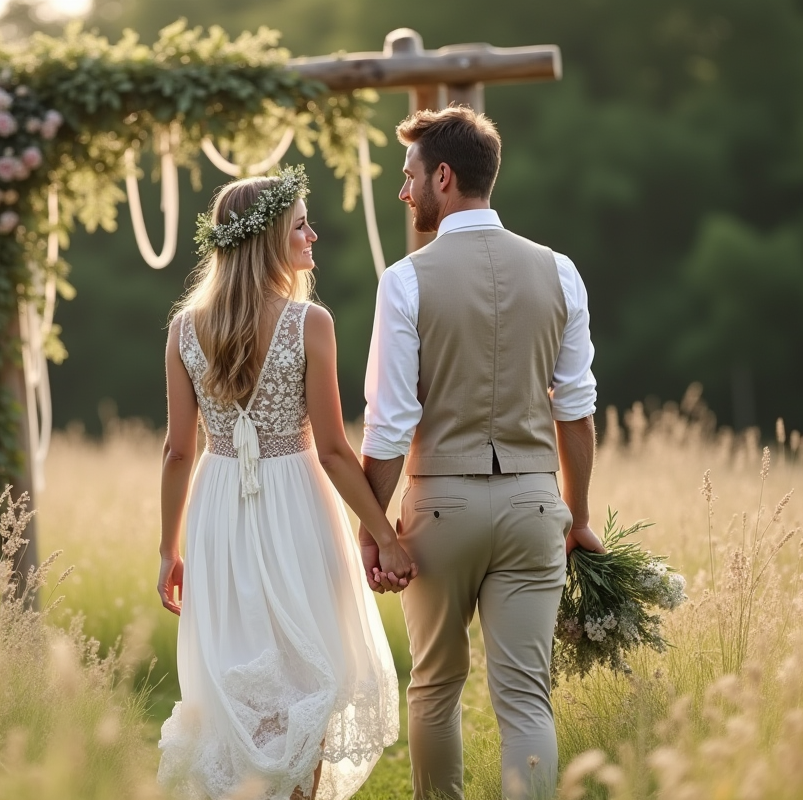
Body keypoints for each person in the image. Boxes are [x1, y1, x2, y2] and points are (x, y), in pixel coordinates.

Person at [358, 107, 606, 800]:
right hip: (535, 506)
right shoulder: (560, 272)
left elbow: (389, 422)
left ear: (443, 175)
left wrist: (375, 526)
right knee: (526, 700)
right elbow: (576, 409)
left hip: (442, 510)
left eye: (409, 178)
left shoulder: (405, 280)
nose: (404, 193)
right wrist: (576, 515)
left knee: (435, 686)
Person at [156, 166, 416, 800]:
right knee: (314, 669)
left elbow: (176, 451)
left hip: (219, 509)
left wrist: (168, 548)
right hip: (297, 503)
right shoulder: (310, 323)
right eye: (301, 224)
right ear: (270, 238)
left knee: (242, 671)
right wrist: (385, 533)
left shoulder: (184, 331)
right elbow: (331, 449)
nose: (314, 235)